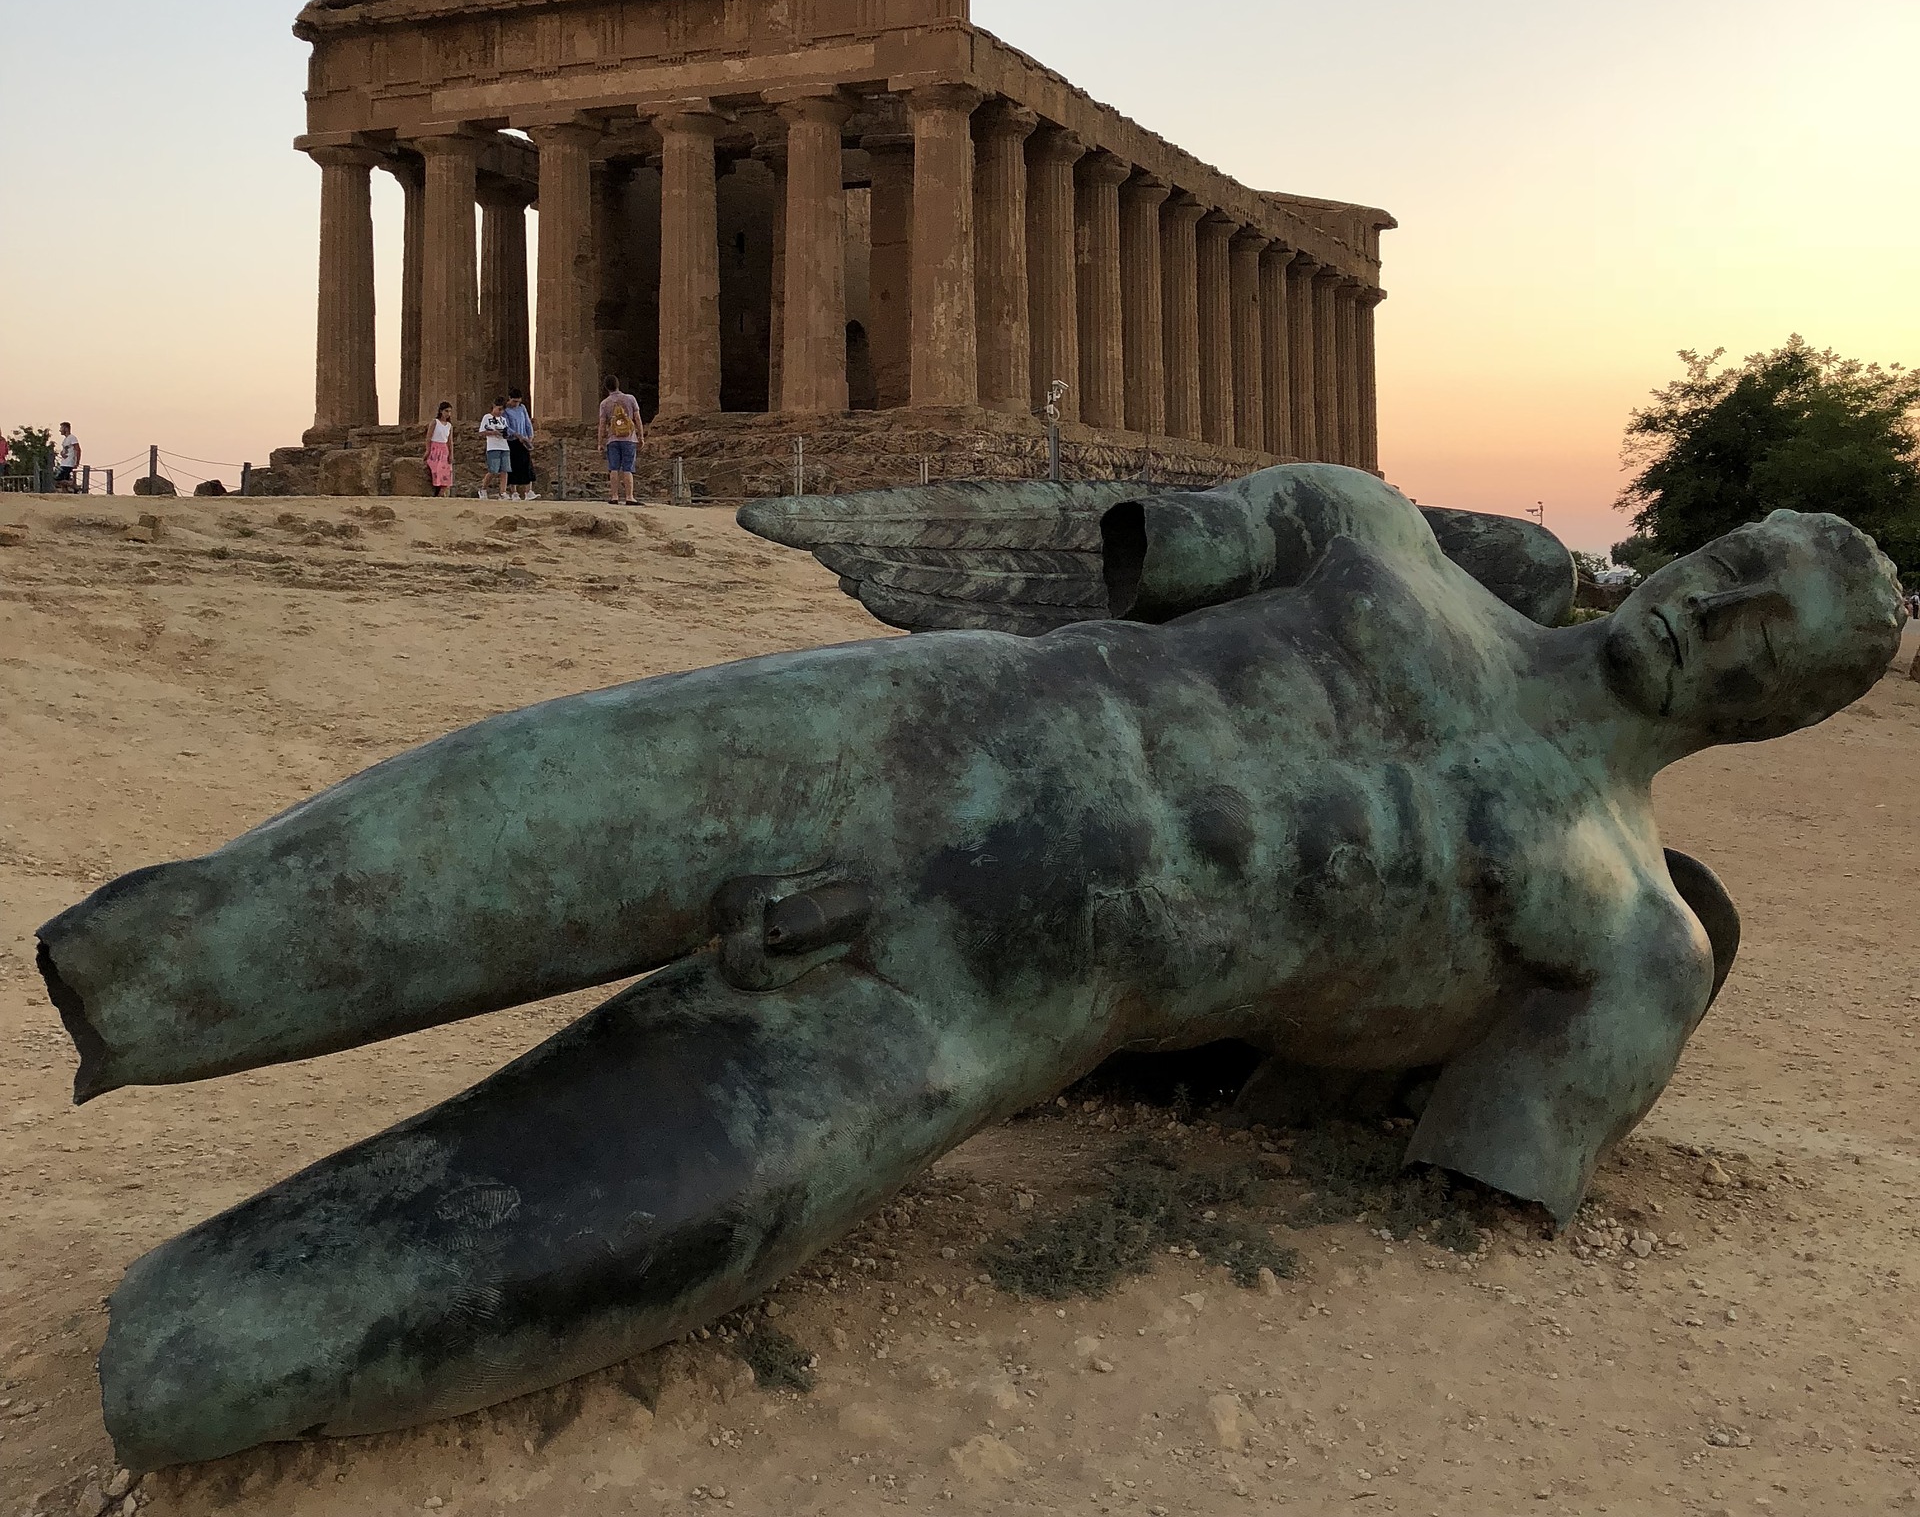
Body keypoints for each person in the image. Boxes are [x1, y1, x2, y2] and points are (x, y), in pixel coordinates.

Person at [37, 469, 1904, 1467]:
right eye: (1736, 566)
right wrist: (1473, 548)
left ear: (1789, 716)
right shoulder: (1384, 536)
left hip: (983, 1001)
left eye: (1771, 648)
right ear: (1701, 546)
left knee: (236, 1358)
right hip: (906, 730)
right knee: (262, 918)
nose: (1717, 617)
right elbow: (1105, 557)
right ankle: (142, 990)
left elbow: (1488, 1169)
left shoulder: (1634, 945)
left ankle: (179, 1349)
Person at [596, 373, 642, 506]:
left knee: (614, 468)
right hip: (629, 438)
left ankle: (614, 496)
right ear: (618, 385)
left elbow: (602, 424)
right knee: (628, 468)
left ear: (606, 388)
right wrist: (641, 436)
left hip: (612, 439)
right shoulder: (630, 399)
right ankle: (629, 497)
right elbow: (637, 419)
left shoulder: (605, 403)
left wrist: (600, 442)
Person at [503, 387, 536, 502]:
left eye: (518, 401)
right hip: (512, 440)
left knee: (527, 464)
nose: (516, 404)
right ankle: (514, 492)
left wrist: (530, 435)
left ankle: (529, 491)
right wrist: (517, 435)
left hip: (524, 440)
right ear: (509, 399)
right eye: (514, 401)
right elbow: (506, 426)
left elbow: (527, 422)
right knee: (513, 465)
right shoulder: (505, 410)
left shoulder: (522, 408)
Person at [476, 399, 511, 500]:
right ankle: (483, 488)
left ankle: (503, 492)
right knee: (493, 470)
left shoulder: (503, 419)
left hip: (504, 446)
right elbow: (482, 432)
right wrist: (493, 433)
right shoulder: (487, 417)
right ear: (494, 406)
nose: (500, 412)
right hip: (493, 446)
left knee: (505, 470)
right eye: (499, 409)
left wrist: (505, 434)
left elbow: (506, 431)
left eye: (502, 410)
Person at [425, 403, 454, 496]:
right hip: (435, 449)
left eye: (449, 411)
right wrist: (427, 450)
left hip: (444, 449)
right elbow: (428, 437)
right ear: (441, 411)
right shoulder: (435, 422)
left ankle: (441, 493)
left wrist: (451, 454)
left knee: (446, 472)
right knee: (436, 470)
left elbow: (450, 441)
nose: (448, 413)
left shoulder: (449, 425)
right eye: (446, 411)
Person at [53, 423, 81, 492]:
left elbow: (78, 449)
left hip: (68, 462)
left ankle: (73, 485)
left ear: (66, 428)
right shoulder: (66, 439)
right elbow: (65, 450)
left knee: (58, 479)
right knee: (63, 481)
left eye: (61, 428)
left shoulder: (72, 438)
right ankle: (65, 493)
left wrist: (77, 462)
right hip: (64, 462)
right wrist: (62, 453)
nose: (60, 430)